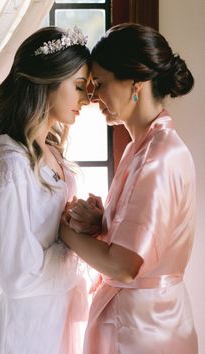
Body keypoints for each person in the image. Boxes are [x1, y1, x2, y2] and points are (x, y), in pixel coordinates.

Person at [59, 23, 198, 354]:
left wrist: (62, 231)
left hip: (142, 329)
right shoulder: (145, 146)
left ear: (135, 84)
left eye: (101, 84)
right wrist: (102, 223)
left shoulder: (159, 156)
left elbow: (123, 265)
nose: (92, 97)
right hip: (145, 319)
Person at [0, 26, 90, 354]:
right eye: (79, 86)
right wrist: (77, 249)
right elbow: (17, 274)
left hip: (57, 313)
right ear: (48, 81)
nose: (84, 99)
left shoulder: (52, 150)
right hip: (24, 325)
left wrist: (85, 221)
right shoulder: (10, 162)